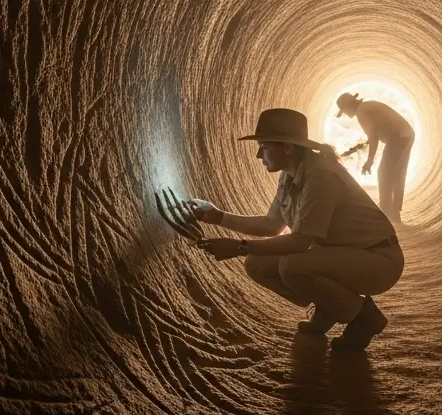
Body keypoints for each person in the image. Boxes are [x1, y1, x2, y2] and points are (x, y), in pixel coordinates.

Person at [156, 108, 403, 350]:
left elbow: (299, 243)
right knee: (257, 264)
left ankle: (363, 317)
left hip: (377, 260)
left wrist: (238, 247)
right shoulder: (291, 173)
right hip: (341, 256)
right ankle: (329, 306)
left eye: (264, 147)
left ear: (287, 147)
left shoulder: (320, 177)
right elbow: (272, 225)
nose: (258, 155)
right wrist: (218, 216)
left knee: (292, 266)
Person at [335, 92, 414, 223]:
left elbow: (373, 134)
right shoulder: (368, 105)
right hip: (407, 134)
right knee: (398, 174)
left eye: (344, 110)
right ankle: (394, 213)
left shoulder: (361, 112)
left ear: (349, 105)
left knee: (384, 173)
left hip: (397, 137)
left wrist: (370, 161)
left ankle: (385, 212)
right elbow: (376, 132)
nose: (345, 114)